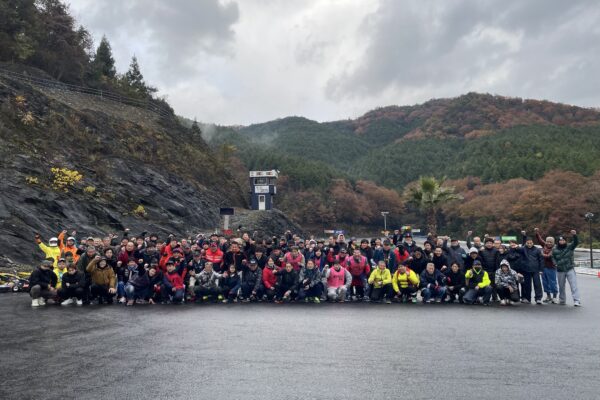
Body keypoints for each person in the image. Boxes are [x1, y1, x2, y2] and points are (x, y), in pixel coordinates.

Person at [552, 230, 580, 306]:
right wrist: (555, 263)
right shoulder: (554, 249)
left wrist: (574, 235)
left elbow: (576, 242)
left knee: (573, 285)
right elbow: (553, 257)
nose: (562, 241)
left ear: (565, 241)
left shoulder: (570, 247)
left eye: (563, 240)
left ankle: (576, 300)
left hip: (569, 269)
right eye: (560, 240)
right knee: (561, 286)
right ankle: (562, 300)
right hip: (560, 270)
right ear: (558, 241)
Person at [535, 228, 559, 303]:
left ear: (553, 243)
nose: (548, 243)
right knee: (545, 283)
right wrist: (537, 233)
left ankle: (554, 297)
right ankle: (548, 296)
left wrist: (542, 253)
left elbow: (548, 256)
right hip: (544, 267)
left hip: (551, 268)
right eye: (547, 241)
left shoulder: (554, 248)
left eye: (550, 242)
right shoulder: (544, 245)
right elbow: (540, 240)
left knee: (552, 282)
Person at [520, 231, 544, 305]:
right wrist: (524, 236)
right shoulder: (523, 249)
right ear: (526, 243)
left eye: (531, 243)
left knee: (537, 284)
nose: (529, 244)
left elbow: (541, 260)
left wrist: (541, 269)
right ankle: (528, 298)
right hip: (526, 270)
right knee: (527, 285)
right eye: (528, 243)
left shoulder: (537, 250)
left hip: (535, 270)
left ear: (533, 243)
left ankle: (538, 298)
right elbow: (522, 245)